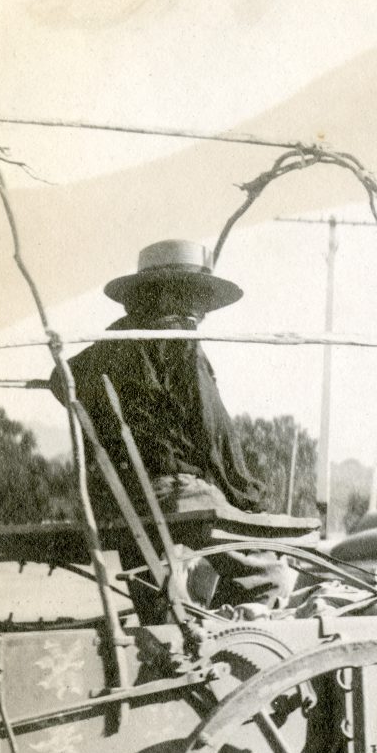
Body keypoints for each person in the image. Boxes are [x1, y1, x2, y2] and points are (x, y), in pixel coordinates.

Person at [54, 238, 315, 612]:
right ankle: (238, 649)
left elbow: (58, 377)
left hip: (123, 499)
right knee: (269, 579)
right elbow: (216, 435)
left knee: (159, 590)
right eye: (198, 299)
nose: (202, 312)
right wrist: (248, 501)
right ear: (176, 296)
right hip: (177, 494)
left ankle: (169, 629)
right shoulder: (180, 344)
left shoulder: (105, 347)